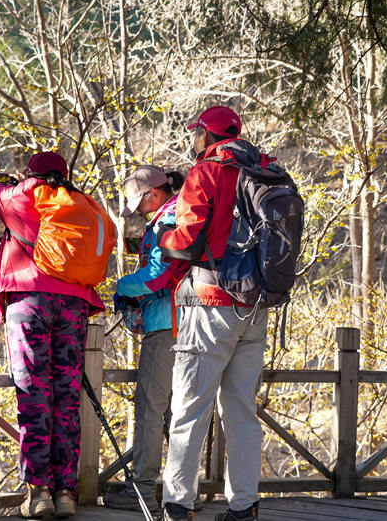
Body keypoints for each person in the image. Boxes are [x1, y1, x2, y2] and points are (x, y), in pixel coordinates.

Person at [0, 151, 106, 519]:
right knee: (66, 397)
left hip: (30, 302)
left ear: (31, 173)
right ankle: (65, 492)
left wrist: (0, 179)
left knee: (34, 394)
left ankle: (38, 492)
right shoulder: (80, 203)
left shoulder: (22, 195)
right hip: (75, 305)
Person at [157, 106, 267, 521]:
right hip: (254, 305)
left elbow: (186, 240)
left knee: (189, 407)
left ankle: (177, 505)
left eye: (196, 131)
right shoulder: (263, 169)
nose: (193, 138)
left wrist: (163, 239)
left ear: (208, 134)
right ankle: (244, 507)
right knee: (241, 410)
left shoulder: (206, 171)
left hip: (210, 302)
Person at [103, 165, 188, 511]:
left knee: (150, 408)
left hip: (167, 325)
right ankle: (182, 492)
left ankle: (142, 490)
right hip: (189, 323)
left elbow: (156, 276)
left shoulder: (167, 219)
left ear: (154, 193)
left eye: (138, 203)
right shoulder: (185, 212)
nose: (137, 212)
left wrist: (122, 288)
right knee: (180, 411)